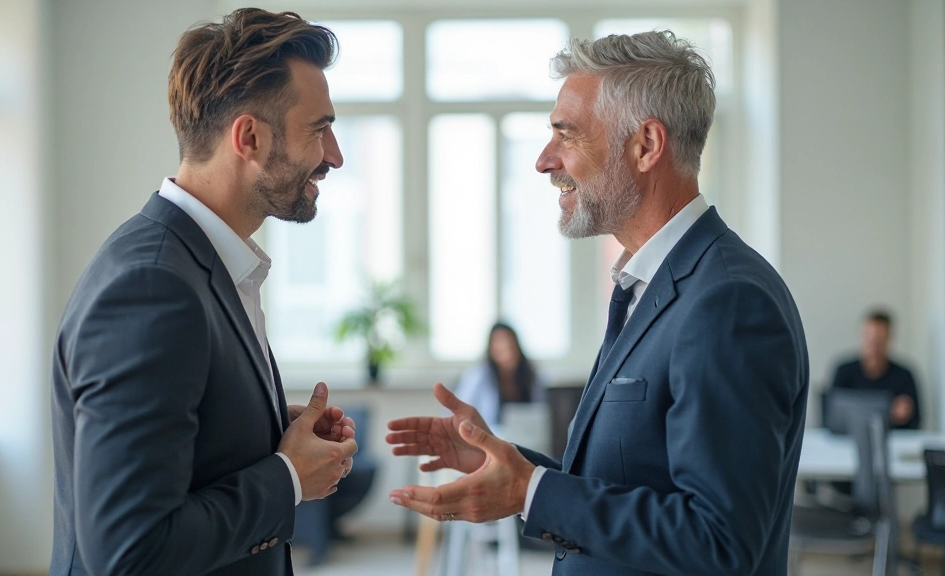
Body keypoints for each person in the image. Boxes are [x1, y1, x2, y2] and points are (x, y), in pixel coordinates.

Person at [387, 30, 809, 575]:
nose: (544, 161)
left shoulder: (728, 301)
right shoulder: (649, 284)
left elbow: (719, 542)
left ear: (646, 146)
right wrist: (512, 467)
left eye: (567, 134)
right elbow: (630, 482)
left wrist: (531, 491)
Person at [49, 9, 358, 576]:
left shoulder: (205, 264)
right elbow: (128, 552)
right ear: (250, 138)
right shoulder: (152, 287)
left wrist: (262, 426)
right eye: (319, 128)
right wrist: (288, 478)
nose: (335, 154)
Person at [830, 310, 921, 429]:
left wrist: (906, 414)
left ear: (889, 338)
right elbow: (831, 415)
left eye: (880, 339)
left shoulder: (904, 375)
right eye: (870, 338)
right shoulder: (844, 371)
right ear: (862, 336)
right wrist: (887, 412)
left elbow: (916, 420)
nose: (874, 344)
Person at [453, 322, 547, 428]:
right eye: (499, 342)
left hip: (529, 437)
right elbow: (460, 415)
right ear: (491, 347)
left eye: (509, 342)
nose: (506, 346)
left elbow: (544, 411)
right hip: (490, 439)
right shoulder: (477, 378)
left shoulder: (533, 375)